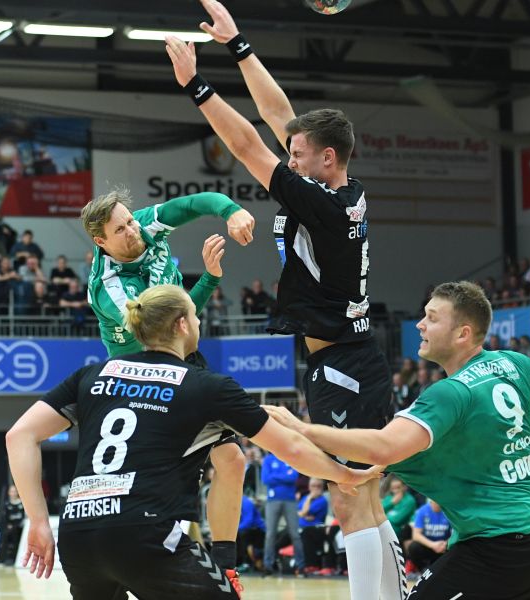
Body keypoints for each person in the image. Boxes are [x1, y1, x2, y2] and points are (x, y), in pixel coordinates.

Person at [168, 5, 401, 597]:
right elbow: (279, 116)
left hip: (346, 362)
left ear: (327, 158)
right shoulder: (335, 187)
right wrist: (239, 45)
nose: (288, 160)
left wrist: (196, 85)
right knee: (362, 495)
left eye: (297, 155)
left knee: (350, 495)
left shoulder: (323, 205)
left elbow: (247, 142)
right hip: (343, 357)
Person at [5, 284, 378, 599]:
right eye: (196, 317)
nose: (198, 323)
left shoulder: (92, 374)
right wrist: (344, 474)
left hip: (78, 536)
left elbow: (19, 435)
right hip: (144, 532)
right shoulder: (206, 386)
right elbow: (290, 448)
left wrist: (38, 521)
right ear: (182, 324)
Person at [264, 280, 530, 599]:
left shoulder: (450, 394)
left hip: (498, 549)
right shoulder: (512, 363)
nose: (420, 325)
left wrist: (302, 428)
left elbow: (384, 446)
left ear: (463, 334)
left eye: (432, 318)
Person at [80, 187, 256, 576]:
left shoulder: (146, 224)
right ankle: (130, 564)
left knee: (232, 460)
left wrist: (231, 211)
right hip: (140, 376)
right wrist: (209, 279)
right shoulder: (109, 287)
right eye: (121, 230)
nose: (133, 231)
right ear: (100, 242)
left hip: (181, 358)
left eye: (130, 221)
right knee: (155, 484)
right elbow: (169, 329)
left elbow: (195, 203)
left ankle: (226, 569)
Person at [261, 451, 305, 574]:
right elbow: (265, 479)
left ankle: (300, 566)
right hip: (272, 500)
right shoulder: (268, 459)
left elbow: (294, 477)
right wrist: (285, 475)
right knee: (270, 534)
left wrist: (274, 476)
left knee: (295, 534)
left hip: (290, 500)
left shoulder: (289, 456)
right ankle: (268, 566)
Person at [406, 499, 452, 573]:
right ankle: (421, 569)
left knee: (456, 546)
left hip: (443, 545)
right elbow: (416, 535)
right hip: (428, 545)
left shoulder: (449, 511)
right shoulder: (423, 510)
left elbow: (455, 533)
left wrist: (446, 543)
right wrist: (433, 545)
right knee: (413, 547)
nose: (436, 504)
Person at [298, 477, 330, 573]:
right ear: (309, 487)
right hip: (300, 526)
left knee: (306, 532)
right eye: (313, 486)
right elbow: (298, 513)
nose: (316, 488)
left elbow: (303, 512)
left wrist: (309, 498)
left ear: (322, 487)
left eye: (318, 486)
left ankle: (311, 565)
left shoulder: (322, 500)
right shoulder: (304, 498)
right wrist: (303, 513)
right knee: (284, 534)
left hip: (316, 527)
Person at [0, 485, 27, 565]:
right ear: (9, 493)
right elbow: (5, 518)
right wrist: (8, 525)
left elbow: (25, 517)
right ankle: (3, 559)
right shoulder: (6, 504)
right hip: (10, 527)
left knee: (16, 536)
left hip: (20, 527)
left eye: (15, 491)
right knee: (5, 535)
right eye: (11, 491)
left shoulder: (22, 503)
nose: (13, 493)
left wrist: (17, 525)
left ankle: (15, 559)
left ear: (17, 492)